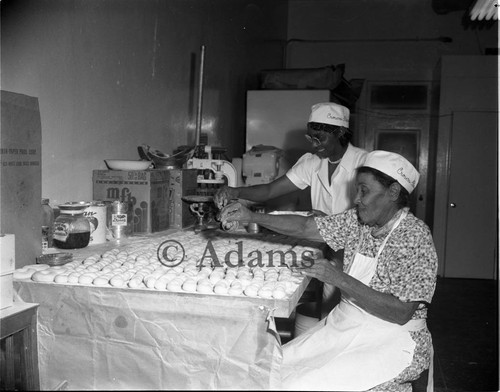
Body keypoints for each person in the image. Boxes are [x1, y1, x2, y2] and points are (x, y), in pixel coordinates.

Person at [219, 150, 438, 391]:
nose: (356, 199)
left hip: (390, 339)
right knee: (270, 371)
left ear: (394, 192)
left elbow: (401, 313)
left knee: (298, 385)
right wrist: (251, 216)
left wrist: (339, 279)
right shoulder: (358, 222)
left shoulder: (415, 237)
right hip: (344, 326)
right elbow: (305, 226)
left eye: (364, 191)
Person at [215, 102, 368, 314]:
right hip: (331, 254)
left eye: (320, 138)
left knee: (358, 316)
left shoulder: (365, 163)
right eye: (310, 138)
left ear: (340, 133)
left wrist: (331, 220)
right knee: (330, 315)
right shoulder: (312, 163)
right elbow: (269, 191)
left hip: (362, 255)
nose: (314, 144)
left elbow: (376, 213)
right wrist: (235, 192)